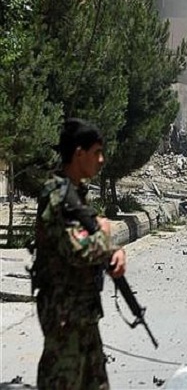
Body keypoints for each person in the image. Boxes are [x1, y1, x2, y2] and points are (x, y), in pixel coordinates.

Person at [32, 118, 127, 389]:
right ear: (78, 153)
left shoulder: (75, 195)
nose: (101, 160)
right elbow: (78, 250)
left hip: (83, 314)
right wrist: (106, 234)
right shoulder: (57, 197)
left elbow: (93, 242)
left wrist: (114, 251)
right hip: (64, 318)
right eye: (96, 152)